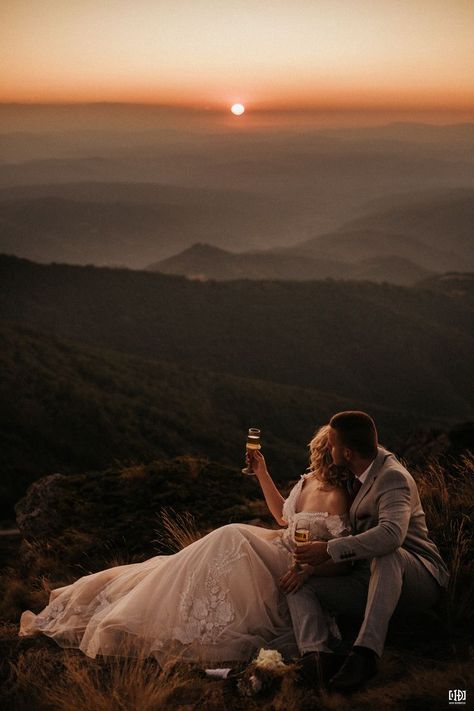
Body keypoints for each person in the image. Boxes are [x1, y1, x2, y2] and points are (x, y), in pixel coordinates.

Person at [19, 425, 354, 668]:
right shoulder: (307, 481)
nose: (321, 457)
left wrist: (307, 571)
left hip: (293, 562)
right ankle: (180, 614)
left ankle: (199, 624)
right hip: (277, 545)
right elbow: (283, 516)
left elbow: (340, 556)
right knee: (226, 538)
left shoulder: (339, 497)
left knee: (232, 537)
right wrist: (261, 472)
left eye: (324, 451)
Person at [288, 411, 450, 693]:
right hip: (366, 577)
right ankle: (317, 656)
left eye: (333, 445)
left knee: (389, 552)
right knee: (300, 585)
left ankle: (365, 655)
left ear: (347, 452)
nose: (329, 448)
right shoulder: (357, 467)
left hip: (417, 577)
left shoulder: (392, 478)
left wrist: (328, 549)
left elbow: (391, 535)